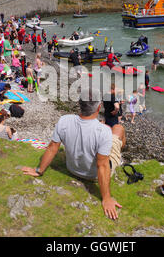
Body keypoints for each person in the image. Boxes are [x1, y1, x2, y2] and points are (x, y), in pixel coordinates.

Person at [21, 90, 127, 220]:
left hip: (72, 169)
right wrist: (106, 198)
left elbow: (52, 148)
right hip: (92, 176)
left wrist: (39, 170)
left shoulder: (64, 120)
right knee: (118, 129)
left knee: (109, 132)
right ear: (99, 107)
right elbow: (103, 166)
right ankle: (118, 156)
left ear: (79, 104)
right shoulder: (103, 131)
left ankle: (108, 147)